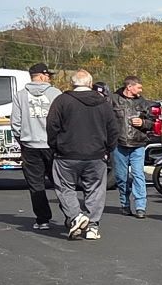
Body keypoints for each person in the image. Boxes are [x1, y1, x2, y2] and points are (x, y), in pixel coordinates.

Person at [46, 69, 120, 239]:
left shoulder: (62, 101)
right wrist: (108, 149)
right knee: (95, 190)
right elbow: (113, 129)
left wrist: (55, 145)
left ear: (73, 83)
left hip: (66, 153)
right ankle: (92, 226)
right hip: (96, 154)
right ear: (90, 83)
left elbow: (52, 126)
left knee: (65, 188)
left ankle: (76, 216)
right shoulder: (103, 103)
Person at [10, 63, 61, 230]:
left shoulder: (20, 95)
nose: (49, 78)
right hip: (52, 144)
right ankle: (72, 216)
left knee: (35, 184)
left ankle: (42, 219)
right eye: (48, 75)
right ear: (41, 75)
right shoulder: (55, 94)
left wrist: (23, 139)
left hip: (30, 144)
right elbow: (62, 120)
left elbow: (15, 123)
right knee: (61, 182)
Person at [110, 75, 158, 217]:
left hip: (138, 143)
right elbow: (105, 120)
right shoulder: (112, 100)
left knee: (138, 175)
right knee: (121, 176)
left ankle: (140, 206)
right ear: (129, 87)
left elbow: (152, 122)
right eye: (139, 87)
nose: (141, 89)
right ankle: (124, 203)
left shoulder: (143, 102)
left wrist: (143, 123)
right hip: (119, 144)